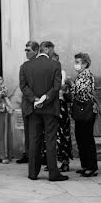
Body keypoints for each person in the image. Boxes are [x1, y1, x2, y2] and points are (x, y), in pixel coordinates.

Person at [20, 41, 67, 182]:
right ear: (48, 50)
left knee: (34, 140)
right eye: (53, 50)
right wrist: (45, 99)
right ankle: (53, 173)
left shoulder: (25, 66)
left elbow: (23, 86)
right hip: (50, 108)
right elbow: (56, 86)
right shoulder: (55, 65)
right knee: (51, 141)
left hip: (33, 109)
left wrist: (35, 99)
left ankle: (33, 173)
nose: (53, 52)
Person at [40, 40, 72, 172]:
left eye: (57, 60)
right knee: (50, 135)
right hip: (50, 104)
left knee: (63, 135)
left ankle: (64, 161)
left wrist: (67, 87)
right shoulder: (46, 72)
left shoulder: (63, 73)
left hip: (61, 106)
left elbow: (65, 90)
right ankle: (51, 161)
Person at [70, 52, 98, 177]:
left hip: (86, 109)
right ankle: (85, 164)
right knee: (80, 137)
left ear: (85, 63)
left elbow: (82, 92)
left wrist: (70, 86)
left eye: (78, 62)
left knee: (87, 138)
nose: (76, 65)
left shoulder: (86, 75)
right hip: (80, 110)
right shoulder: (80, 75)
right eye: (75, 62)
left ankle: (91, 167)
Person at [15, 40, 40, 166]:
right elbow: (23, 86)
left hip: (42, 104)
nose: (26, 52)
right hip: (29, 105)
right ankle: (30, 156)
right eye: (25, 50)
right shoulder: (23, 67)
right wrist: (34, 98)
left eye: (28, 50)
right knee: (29, 133)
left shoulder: (43, 65)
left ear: (36, 51)